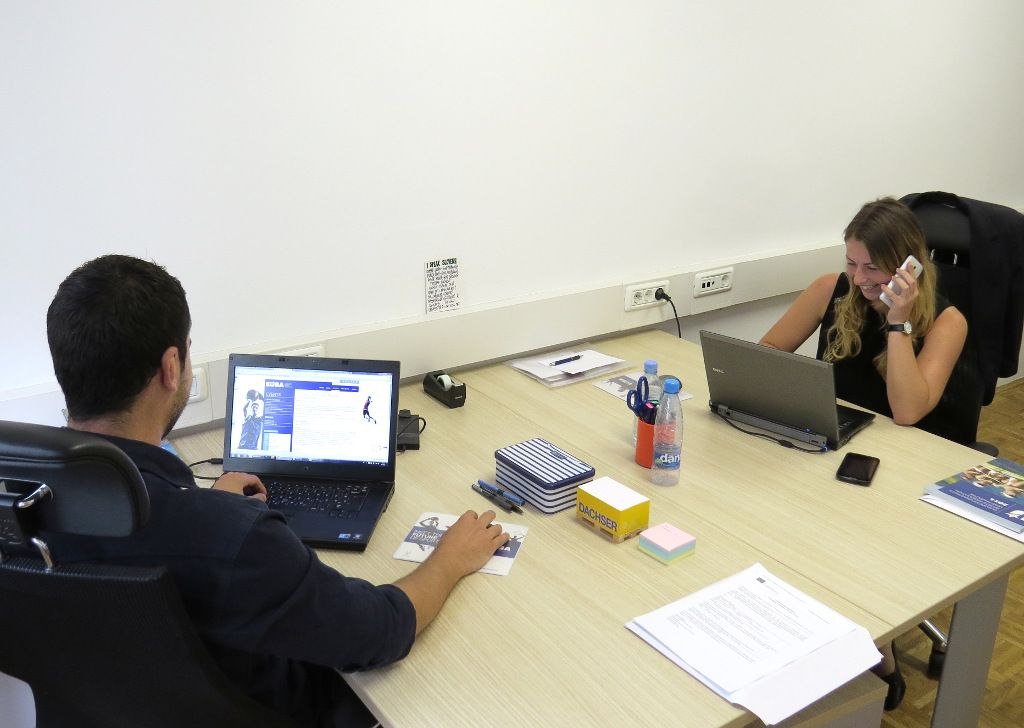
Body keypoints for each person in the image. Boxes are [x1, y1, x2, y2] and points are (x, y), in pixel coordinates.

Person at [43, 254, 510, 727]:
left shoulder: (21, 498)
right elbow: (379, 632)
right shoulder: (230, 537)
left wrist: (207, 506)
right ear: (170, 366)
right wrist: (449, 559)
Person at [759, 197, 972, 711]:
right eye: (851, 263)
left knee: (835, 539)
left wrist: (897, 322)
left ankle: (879, 659)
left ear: (908, 264)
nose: (858, 278)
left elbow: (907, 411)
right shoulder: (829, 289)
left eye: (871, 267)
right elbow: (763, 358)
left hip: (907, 460)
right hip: (836, 443)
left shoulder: (947, 322)